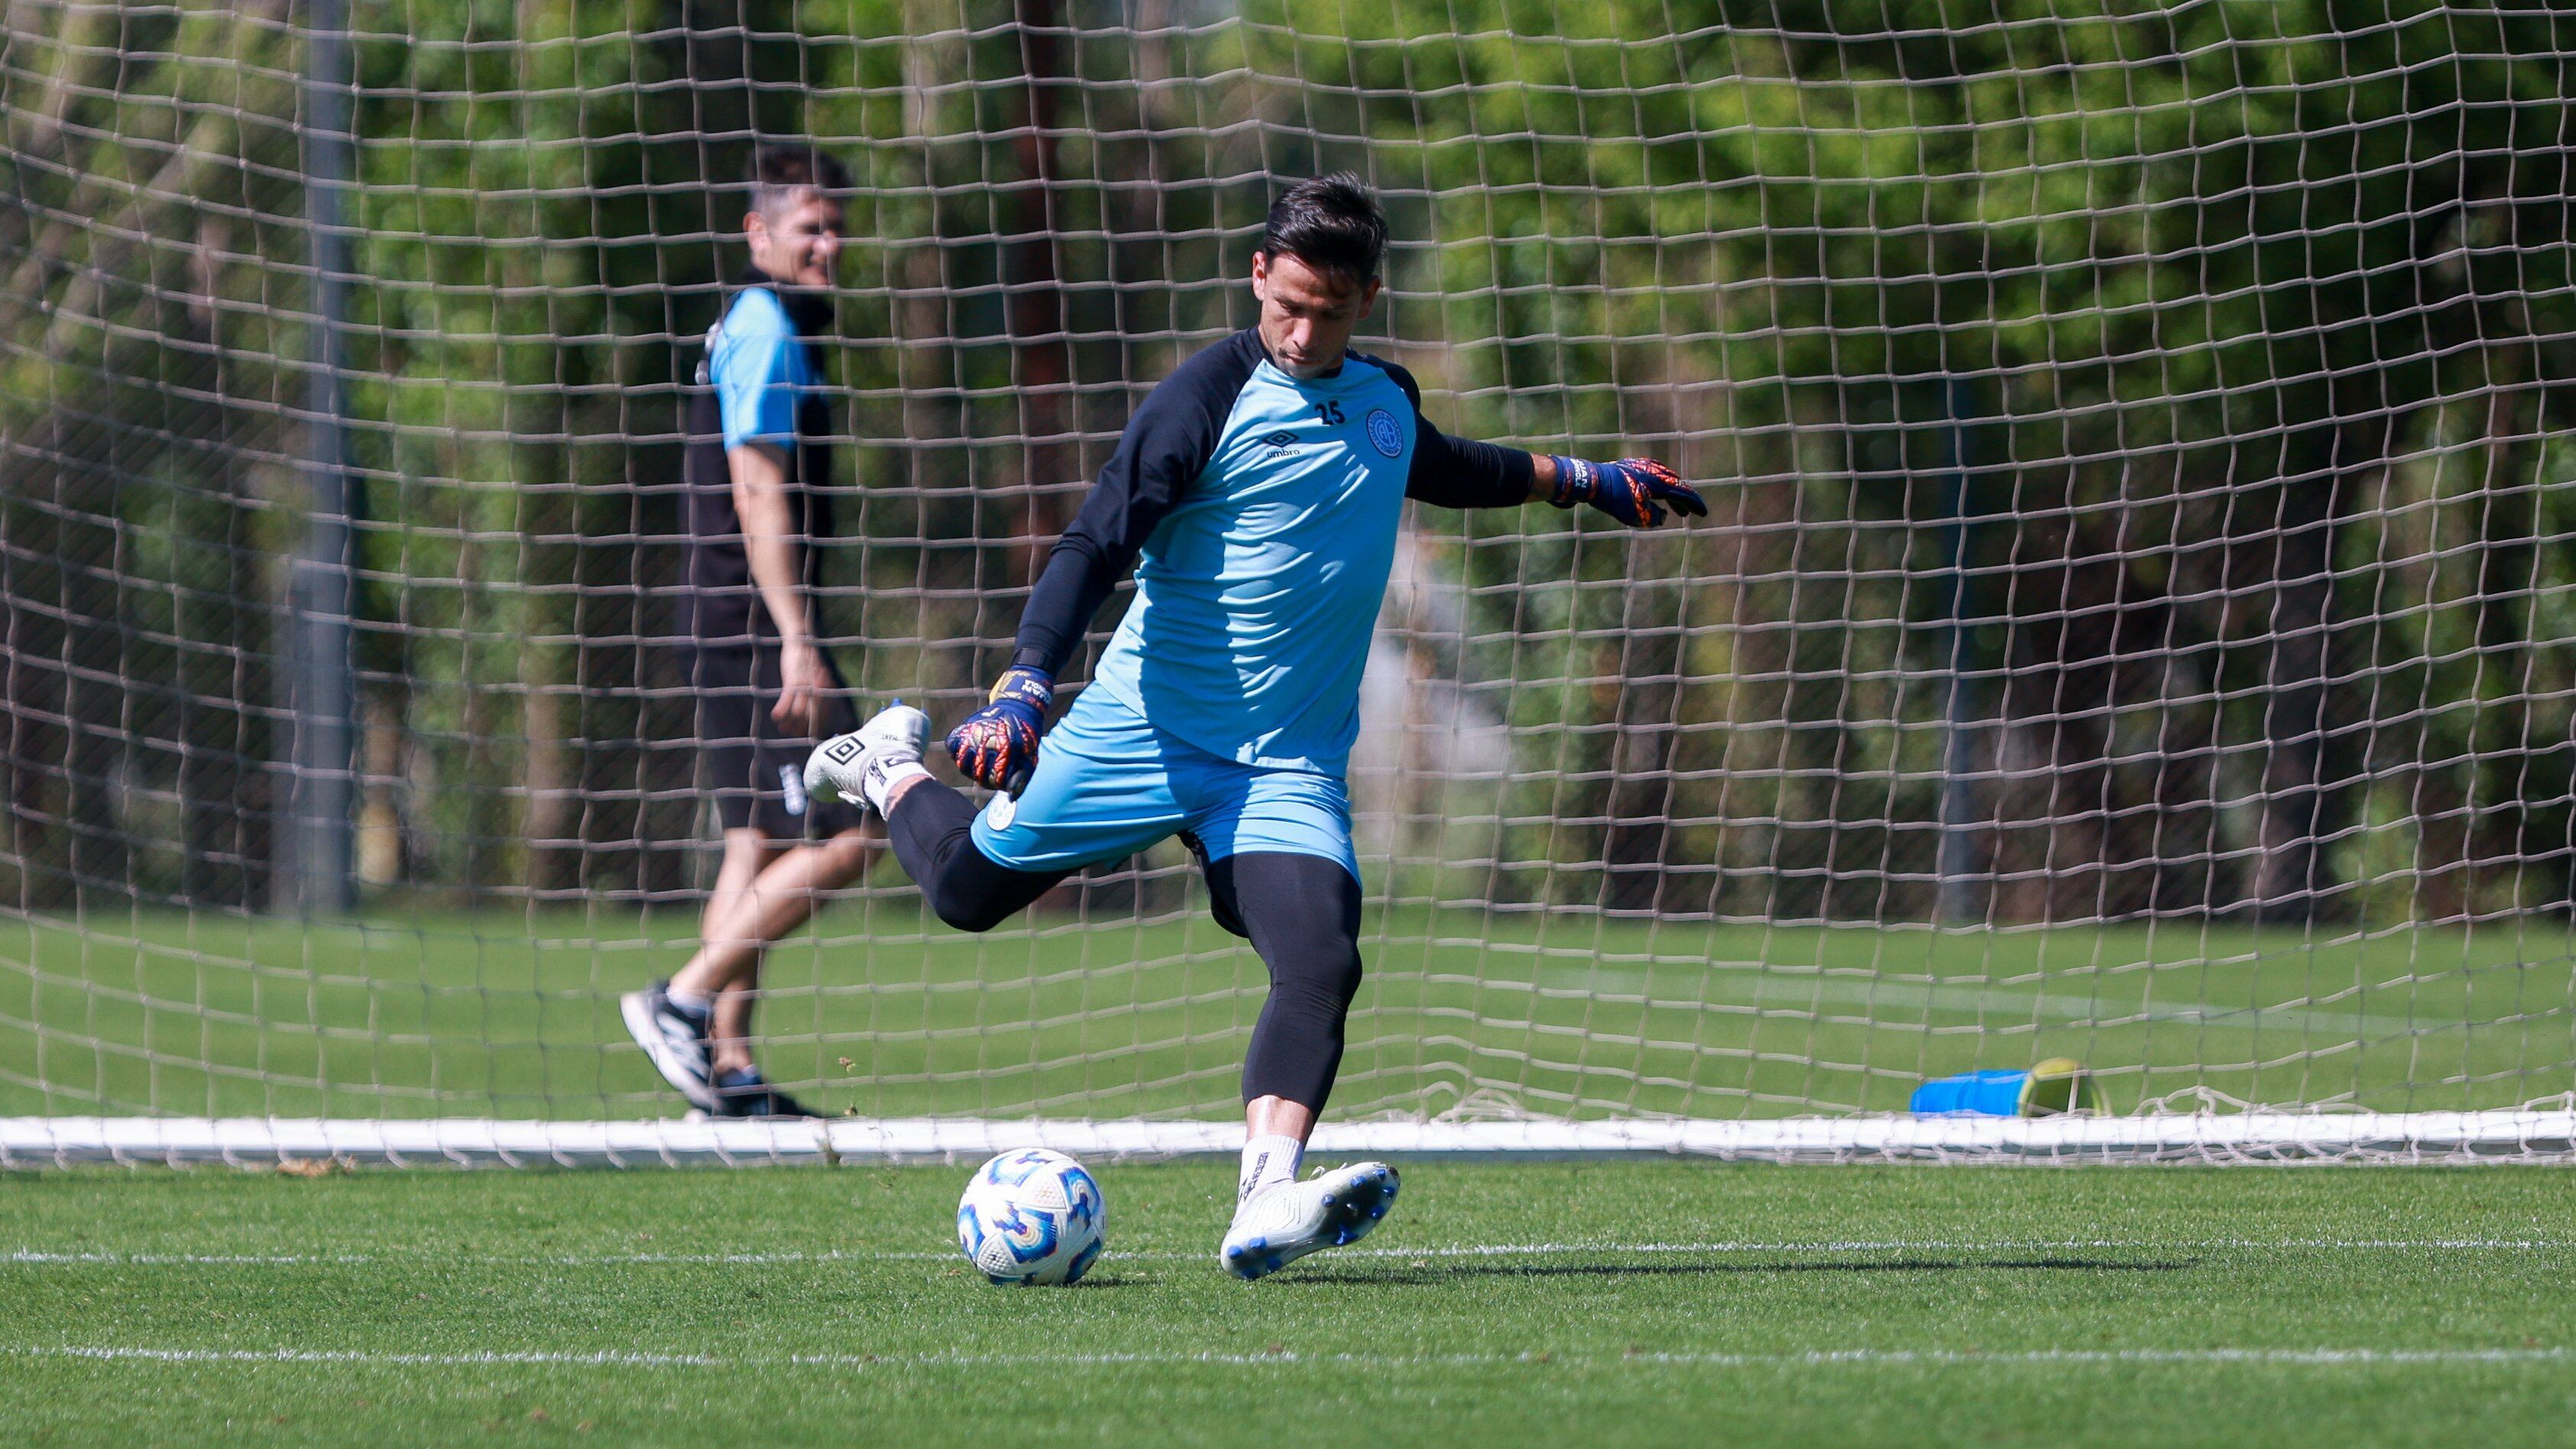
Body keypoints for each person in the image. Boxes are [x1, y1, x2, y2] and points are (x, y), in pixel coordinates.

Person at [806, 174, 1704, 1275]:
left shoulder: (1381, 399)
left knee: (1319, 952)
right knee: (964, 893)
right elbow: (1094, 541)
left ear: (1366, 298)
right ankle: (885, 765)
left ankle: (1264, 1197)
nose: (1300, 328)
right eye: (1285, 302)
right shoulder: (1204, 397)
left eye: (1326, 310)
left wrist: (1584, 479)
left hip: (1281, 764)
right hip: (1140, 729)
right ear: (1257, 277)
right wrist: (1025, 688)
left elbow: (1439, 462)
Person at [621, 145, 869, 1119]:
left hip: (727, 616)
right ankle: (679, 1002)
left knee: (755, 840)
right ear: (757, 234)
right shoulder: (765, 325)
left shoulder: (756, 320)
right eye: (809, 226)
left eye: (835, 224)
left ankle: (722, 1066)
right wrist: (794, 634)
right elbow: (756, 487)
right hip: (752, 621)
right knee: (862, 826)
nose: (828, 242)